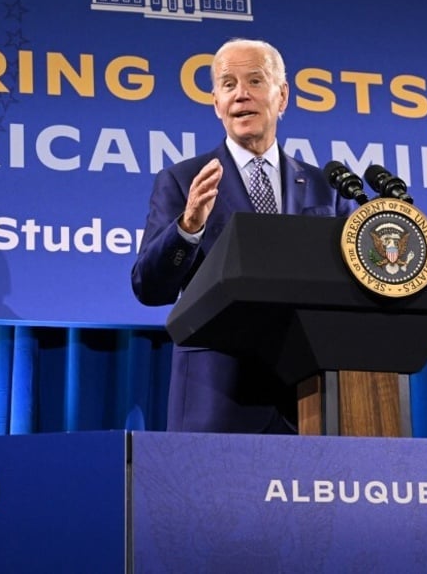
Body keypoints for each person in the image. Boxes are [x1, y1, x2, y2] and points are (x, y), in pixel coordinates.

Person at [131, 38, 357, 434]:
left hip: (307, 395)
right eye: (228, 84)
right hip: (216, 393)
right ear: (215, 101)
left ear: (282, 96)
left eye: (255, 80)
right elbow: (149, 287)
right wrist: (188, 227)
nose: (241, 95)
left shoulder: (326, 187)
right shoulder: (183, 181)